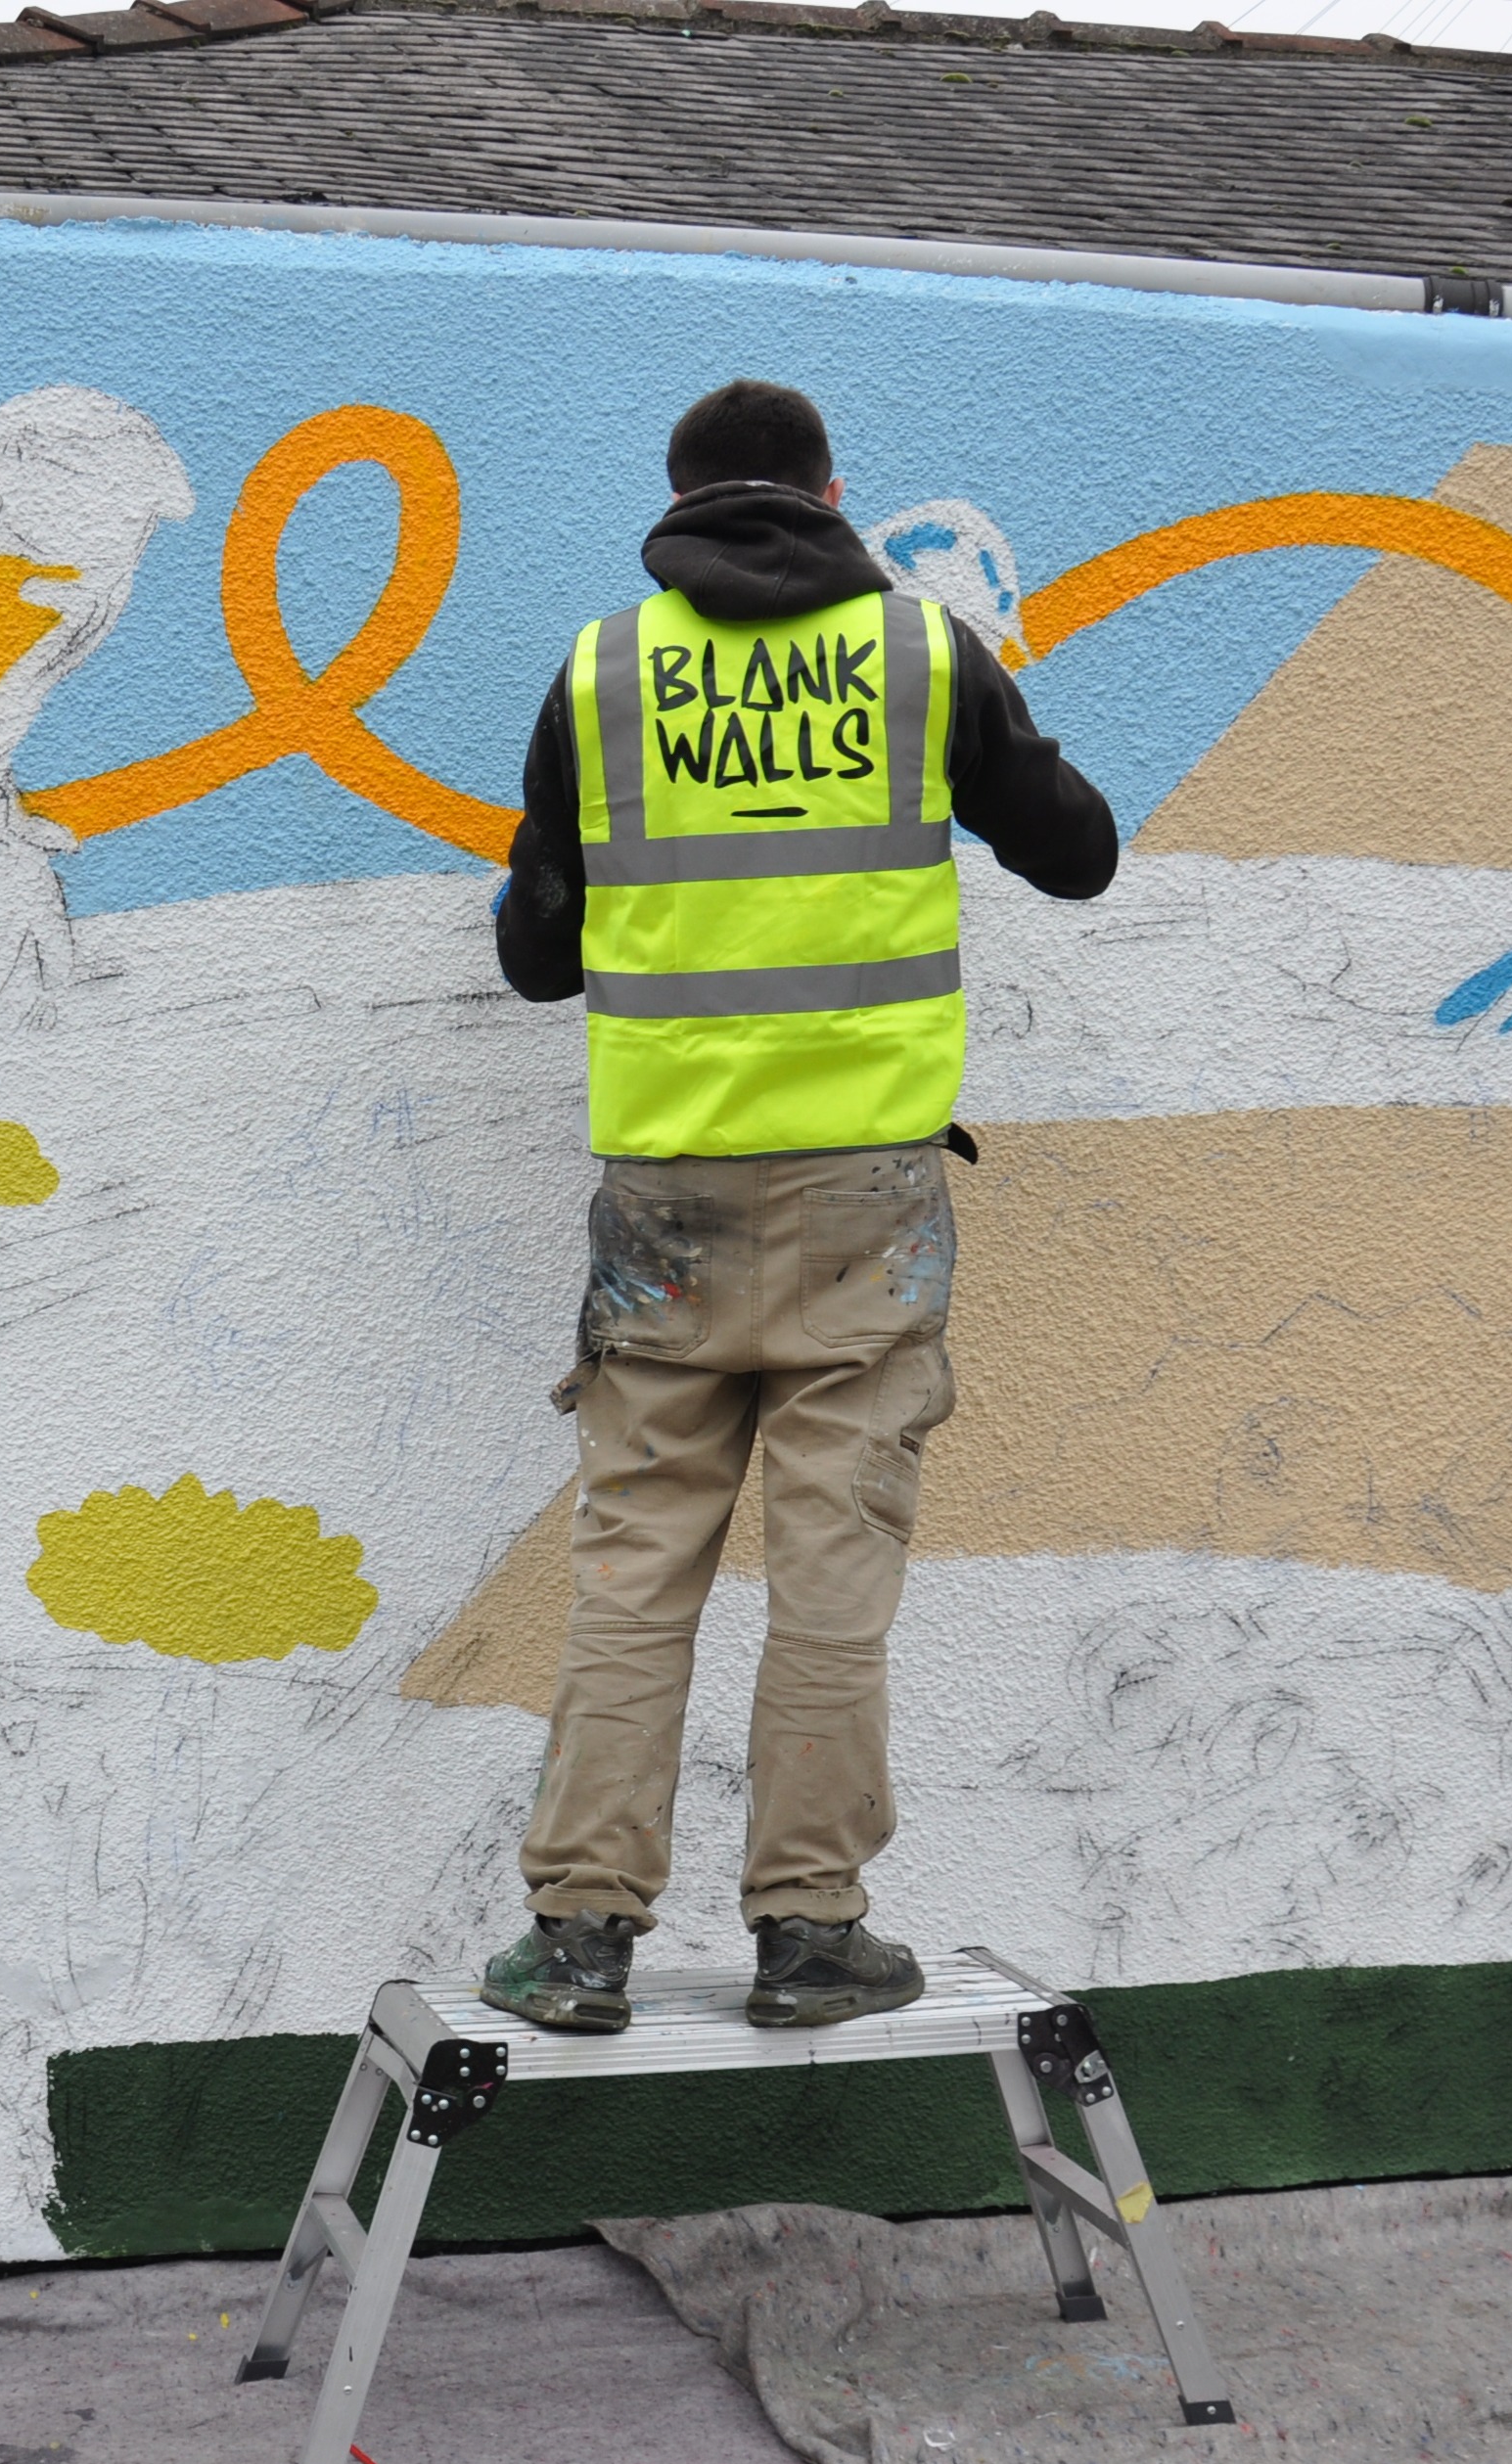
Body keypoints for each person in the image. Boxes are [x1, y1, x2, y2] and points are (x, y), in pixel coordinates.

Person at [479, 381, 1117, 2034]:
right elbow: (1077, 855)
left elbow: (535, 956)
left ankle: (578, 1942)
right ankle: (809, 1934)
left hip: (665, 1211)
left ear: (678, 502)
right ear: (834, 491)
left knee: (635, 1567)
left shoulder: (608, 670)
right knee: (832, 1576)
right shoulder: (919, 654)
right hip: (863, 1203)